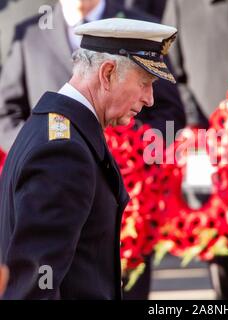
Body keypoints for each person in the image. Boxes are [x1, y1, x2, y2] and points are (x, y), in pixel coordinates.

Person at [0, 17, 177, 299]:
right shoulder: (64, 152)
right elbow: (33, 284)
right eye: (144, 83)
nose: (150, 99)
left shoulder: (57, 129)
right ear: (107, 73)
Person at [162, 0, 228, 300]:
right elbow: (171, 71)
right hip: (209, 146)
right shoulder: (182, 6)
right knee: (222, 251)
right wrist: (194, 123)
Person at [0, 0, 185, 152]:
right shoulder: (29, 36)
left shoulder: (141, 30)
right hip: (52, 179)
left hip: (127, 186)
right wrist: (41, 148)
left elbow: (169, 112)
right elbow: (5, 115)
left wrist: (134, 150)